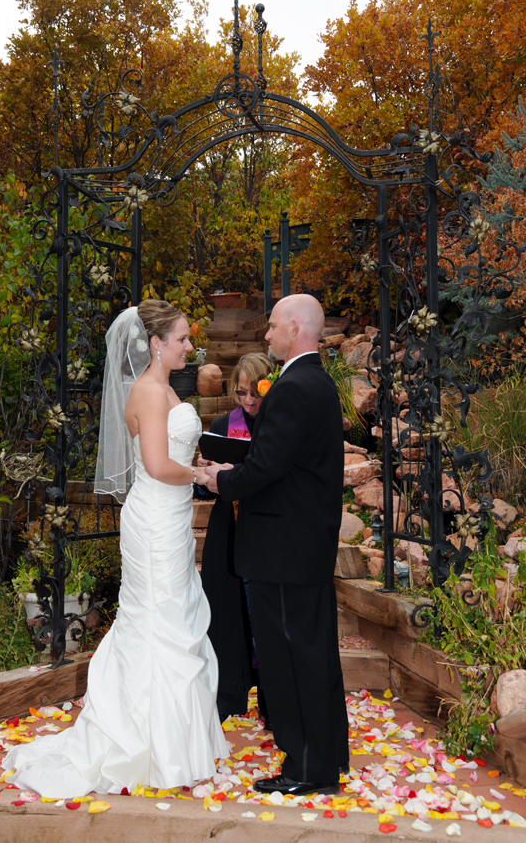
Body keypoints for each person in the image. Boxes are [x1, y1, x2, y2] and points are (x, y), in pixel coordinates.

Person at [2, 301, 228, 798]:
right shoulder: (148, 392)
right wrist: (200, 475)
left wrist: (199, 463)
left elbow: (171, 451)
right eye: (183, 338)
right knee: (156, 620)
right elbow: (154, 464)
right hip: (153, 519)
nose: (190, 346)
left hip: (168, 516)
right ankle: (144, 745)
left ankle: (171, 743)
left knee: (170, 617)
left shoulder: (166, 388)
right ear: (156, 344)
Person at [203, 294, 349, 797]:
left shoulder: (292, 388)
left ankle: (306, 766)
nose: (265, 336)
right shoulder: (320, 384)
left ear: (293, 327)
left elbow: (266, 468)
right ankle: (326, 756)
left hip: (283, 551)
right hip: (302, 546)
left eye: (270, 327)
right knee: (313, 652)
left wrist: (224, 479)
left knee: (291, 658)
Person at [200, 353, 272, 722]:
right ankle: (230, 693)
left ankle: (271, 699)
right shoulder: (221, 424)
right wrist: (208, 475)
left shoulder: (277, 424)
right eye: (241, 392)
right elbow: (206, 492)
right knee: (226, 612)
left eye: (254, 392)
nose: (247, 401)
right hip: (228, 527)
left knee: (263, 614)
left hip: (266, 530)